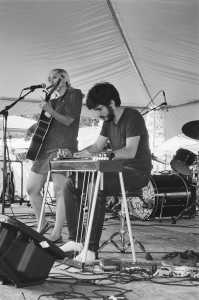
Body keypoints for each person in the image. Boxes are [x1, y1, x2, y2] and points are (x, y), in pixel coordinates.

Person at [60, 82, 152, 261]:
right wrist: (74, 154)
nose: (97, 114)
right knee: (70, 183)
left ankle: (91, 250)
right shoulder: (108, 121)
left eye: (99, 109)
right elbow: (96, 146)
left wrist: (101, 155)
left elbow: (129, 151)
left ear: (111, 103)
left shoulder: (132, 116)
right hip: (117, 169)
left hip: (137, 171)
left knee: (96, 185)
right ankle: (77, 239)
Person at [24, 68, 83, 242]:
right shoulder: (53, 100)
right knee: (31, 189)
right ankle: (42, 226)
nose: (50, 79)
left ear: (64, 78)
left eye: (55, 76)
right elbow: (47, 122)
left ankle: (56, 233)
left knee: (59, 190)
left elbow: (68, 120)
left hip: (63, 147)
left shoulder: (74, 95)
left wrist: (49, 107)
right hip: (45, 148)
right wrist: (32, 128)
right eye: (49, 77)